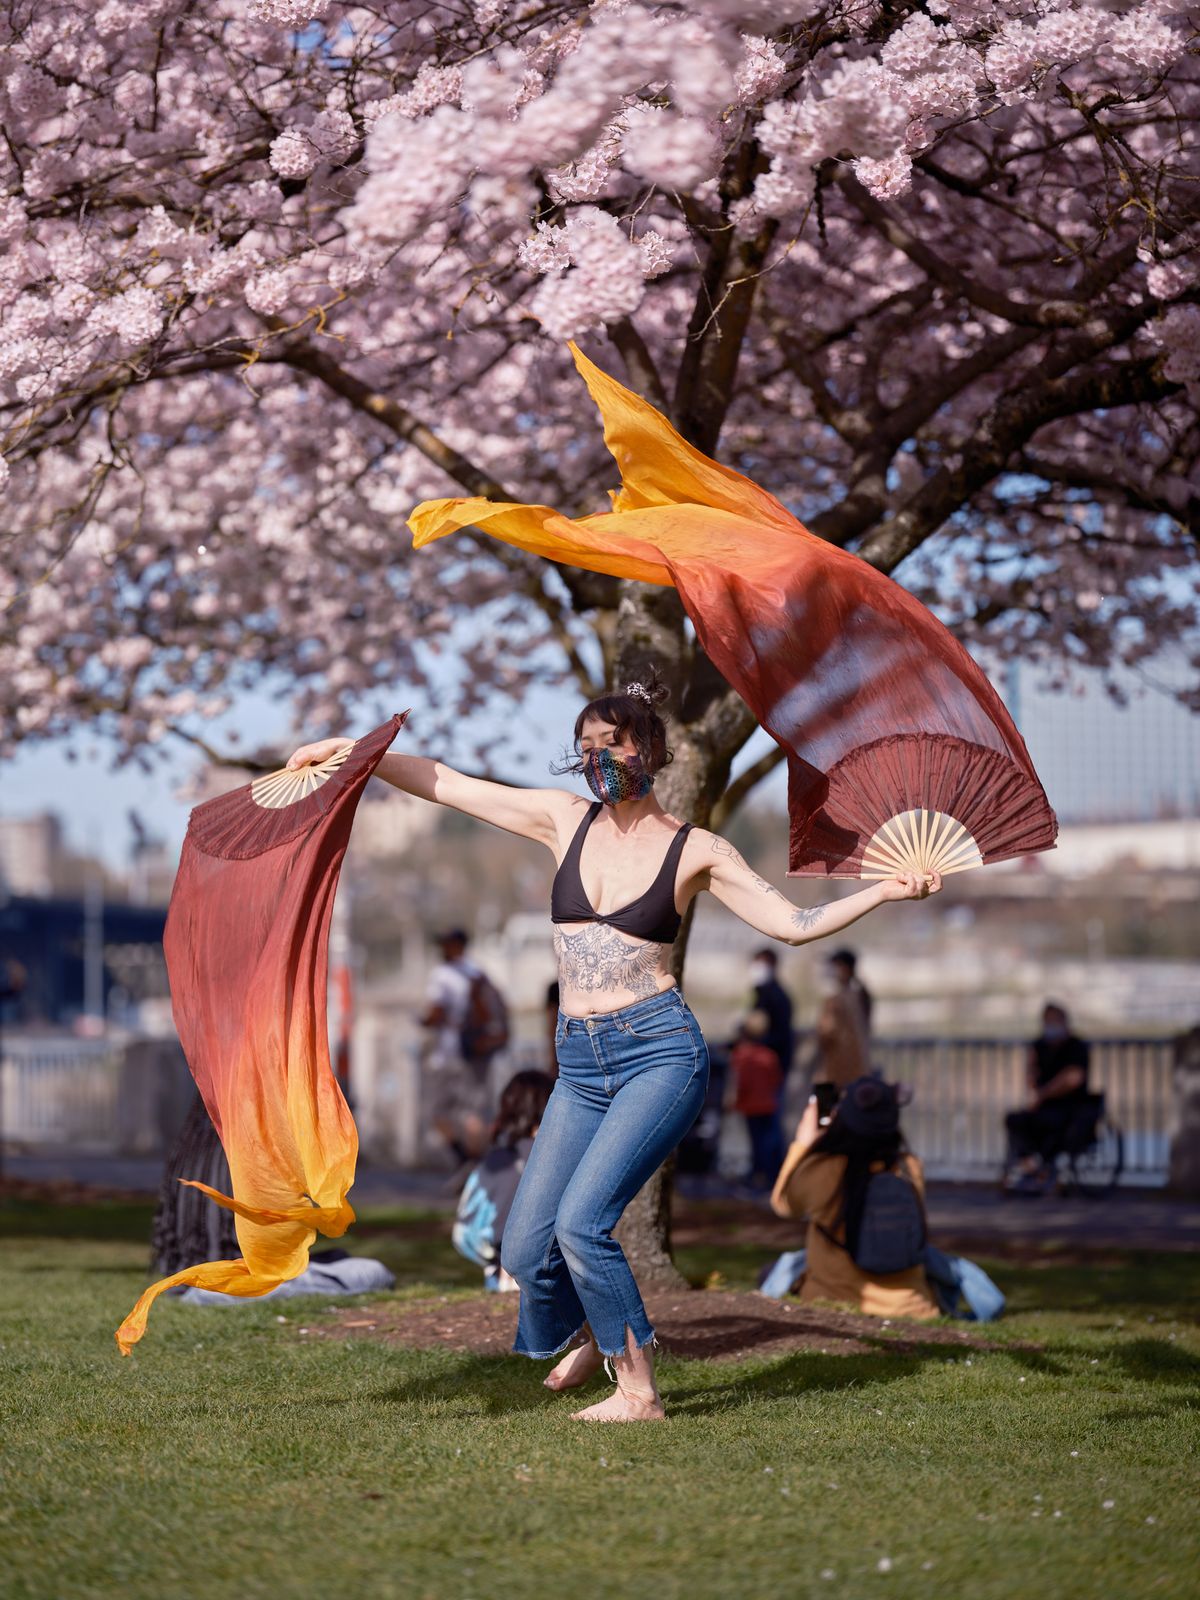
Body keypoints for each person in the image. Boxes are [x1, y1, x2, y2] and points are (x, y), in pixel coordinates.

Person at [287, 673, 941, 1422]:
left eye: (613, 743)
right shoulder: (563, 820)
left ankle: (638, 1391)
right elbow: (446, 783)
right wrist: (351, 754)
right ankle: (599, 1331)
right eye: (586, 746)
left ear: (649, 750)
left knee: (583, 1222)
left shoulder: (698, 850)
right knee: (527, 1245)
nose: (598, 757)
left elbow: (792, 924)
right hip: (580, 1062)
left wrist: (885, 891)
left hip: (657, 1055)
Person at [769, 1076, 940, 1320]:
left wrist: (803, 1144)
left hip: (833, 1300)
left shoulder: (824, 1169)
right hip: (911, 1307)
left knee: (780, 1269)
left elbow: (784, 1204)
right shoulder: (909, 1167)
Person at [453, 1069, 555, 1292]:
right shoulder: (562, 1157)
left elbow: (464, 1233)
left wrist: (493, 1258)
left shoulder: (496, 1161)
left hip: (503, 1274)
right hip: (556, 1271)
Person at [420, 928, 494, 1170]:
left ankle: (464, 1159)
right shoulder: (477, 974)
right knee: (471, 1112)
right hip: (473, 1054)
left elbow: (435, 1013)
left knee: (437, 1111)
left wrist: (423, 1021)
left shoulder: (443, 975)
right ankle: (478, 1163)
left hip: (448, 1054)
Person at [1004, 1002, 1092, 1190]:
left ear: (1063, 1022)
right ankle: (1029, 1163)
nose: (1049, 1026)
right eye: (1046, 1021)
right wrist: (1033, 1083)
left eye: (1053, 1021)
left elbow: (1073, 1078)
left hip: (1071, 1107)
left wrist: (1044, 1094)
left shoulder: (1076, 1047)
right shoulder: (1039, 1046)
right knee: (1015, 1120)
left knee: (1052, 1122)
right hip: (1043, 1105)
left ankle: (1043, 1166)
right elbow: (1032, 1074)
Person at [726, 1009, 785, 1189]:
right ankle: (767, 1174)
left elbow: (740, 1083)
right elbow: (776, 1080)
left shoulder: (741, 1056)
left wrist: (732, 1100)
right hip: (768, 1104)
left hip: (750, 1106)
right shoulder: (770, 1056)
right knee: (767, 1142)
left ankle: (756, 1174)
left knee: (754, 1142)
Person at [811, 947, 872, 1089]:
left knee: (826, 1109)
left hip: (834, 1073)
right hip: (858, 1072)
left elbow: (826, 1032)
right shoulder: (860, 994)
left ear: (845, 968)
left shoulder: (835, 999)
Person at [748, 947, 795, 1080]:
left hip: (774, 1063)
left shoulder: (777, 996)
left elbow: (780, 1033)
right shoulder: (761, 994)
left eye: (762, 964)